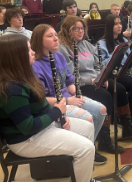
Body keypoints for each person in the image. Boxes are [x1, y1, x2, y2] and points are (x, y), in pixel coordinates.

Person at [0, 34, 99, 182]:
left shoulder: (24, 76)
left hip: (38, 130)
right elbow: (28, 127)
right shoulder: (11, 88)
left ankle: (82, 176)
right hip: (25, 140)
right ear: (16, 57)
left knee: (87, 127)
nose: (33, 52)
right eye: (28, 50)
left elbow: (39, 106)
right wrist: (57, 111)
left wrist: (56, 115)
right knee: (86, 148)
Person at [58, 15, 132, 153]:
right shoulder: (63, 49)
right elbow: (70, 75)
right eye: (75, 28)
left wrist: (103, 77)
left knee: (119, 89)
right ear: (67, 30)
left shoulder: (87, 44)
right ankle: (104, 140)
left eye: (82, 28)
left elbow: (98, 65)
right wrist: (92, 81)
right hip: (79, 84)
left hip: (95, 79)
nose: (80, 31)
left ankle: (127, 128)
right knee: (105, 96)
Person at [30, 24, 107, 165]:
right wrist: (69, 101)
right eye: (50, 36)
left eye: (55, 34)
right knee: (88, 118)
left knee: (101, 110)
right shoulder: (35, 65)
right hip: (54, 103)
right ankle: (79, 155)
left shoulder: (59, 56)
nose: (56, 38)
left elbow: (69, 80)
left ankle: (89, 149)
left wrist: (75, 93)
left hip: (68, 97)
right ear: (38, 40)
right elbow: (40, 98)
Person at [99, 14, 132, 124]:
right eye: (115, 24)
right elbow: (102, 63)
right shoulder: (102, 43)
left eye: (120, 23)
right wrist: (115, 55)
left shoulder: (123, 40)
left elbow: (129, 56)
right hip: (114, 73)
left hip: (126, 70)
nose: (119, 26)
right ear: (110, 26)